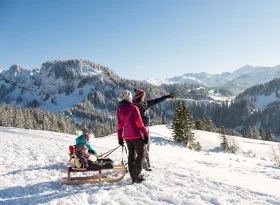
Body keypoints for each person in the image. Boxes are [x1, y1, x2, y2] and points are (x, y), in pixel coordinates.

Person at [133, 89, 173, 171]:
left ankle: (140, 163)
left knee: (142, 147)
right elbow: (156, 101)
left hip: (141, 128)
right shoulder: (140, 105)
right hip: (142, 128)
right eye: (144, 95)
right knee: (145, 147)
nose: (145, 96)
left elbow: (155, 101)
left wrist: (165, 97)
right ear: (141, 96)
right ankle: (145, 165)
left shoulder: (139, 104)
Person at [117, 90, 149, 183]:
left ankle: (133, 176)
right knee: (141, 154)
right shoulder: (133, 108)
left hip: (127, 137)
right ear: (129, 97)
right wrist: (145, 135)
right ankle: (137, 176)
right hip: (136, 135)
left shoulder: (119, 109)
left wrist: (120, 138)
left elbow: (119, 125)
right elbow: (139, 123)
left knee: (131, 155)